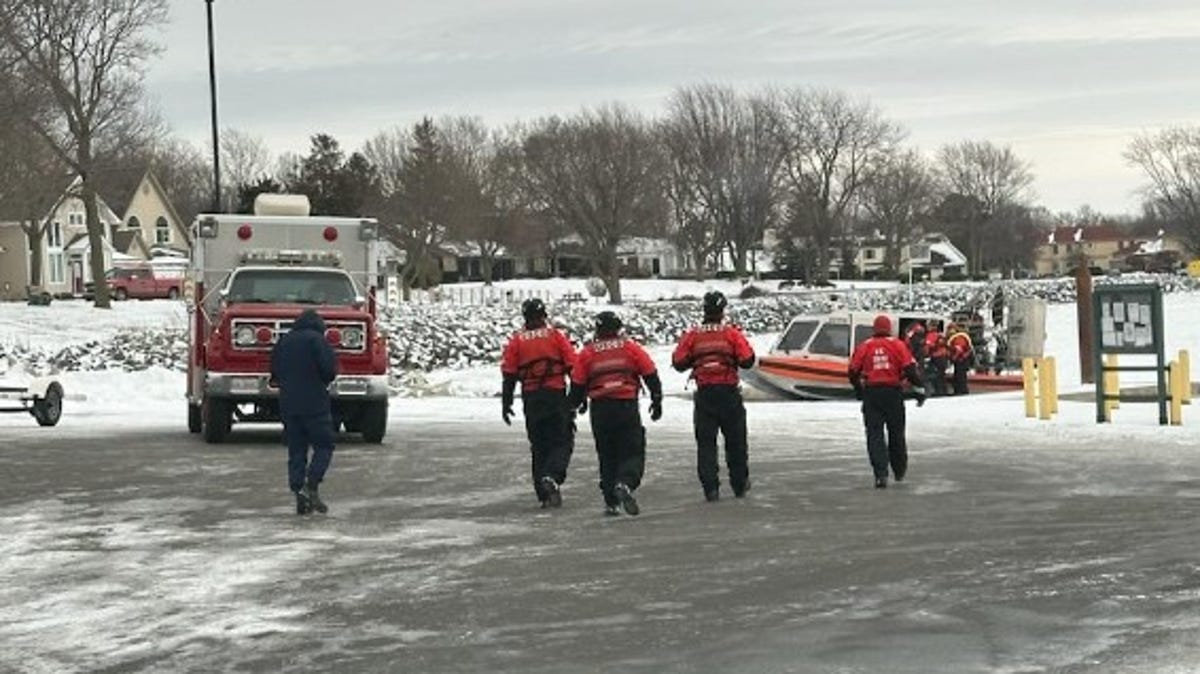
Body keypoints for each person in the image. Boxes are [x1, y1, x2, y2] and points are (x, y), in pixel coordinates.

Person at [567, 311, 662, 517]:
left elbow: (577, 385)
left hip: (600, 408)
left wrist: (573, 407)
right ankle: (625, 483)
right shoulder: (630, 348)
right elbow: (650, 373)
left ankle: (611, 501)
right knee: (632, 451)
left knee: (607, 454)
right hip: (626, 406)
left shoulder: (587, 353)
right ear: (618, 329)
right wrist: (656, 399)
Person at [671, 290, 756, 502]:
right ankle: (739, 484)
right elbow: (747, 360)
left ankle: (710, 488)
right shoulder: (731, 334)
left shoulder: (693, 335)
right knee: (736, 441)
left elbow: (678, 363)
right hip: (728, 393)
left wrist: (696, 360)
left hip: (705, 395)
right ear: (722, 311)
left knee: (706, 443)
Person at [500, 298, 578, 509]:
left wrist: (506, 403)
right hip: (555, 394)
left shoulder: (517, 341)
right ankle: (552, 476)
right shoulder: (556, 336)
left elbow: (509, 374)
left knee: (539, 445)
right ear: (544, 315)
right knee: (562, 440)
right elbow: (573, 366)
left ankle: (543, 494)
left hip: (531, 397)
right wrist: (577, 397)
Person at [270, 308, 338, 515]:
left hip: (289, 404)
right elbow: (329, 370)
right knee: (324, 445)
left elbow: (274, 371)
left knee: (296, 450)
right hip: (315, 403)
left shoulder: (284, 341)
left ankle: (299, 490)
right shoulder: (318, 341)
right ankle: (312, 484)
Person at [848, 314, 926, 489]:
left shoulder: (865, 346)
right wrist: (920, 389)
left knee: (874, 434)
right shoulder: (898, 345)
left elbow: (853, 371)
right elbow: (910, 369)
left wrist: (859, 389)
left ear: (874, 329)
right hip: (893, 393)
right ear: (889, 328)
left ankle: (880, 474)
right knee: (896, 433)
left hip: (872, 394)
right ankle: (899, 469)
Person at [946, 322, 974, 395]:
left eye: (949, 329)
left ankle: (961, 391)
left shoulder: (958, 337)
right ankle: (959, 390)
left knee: (960, 377)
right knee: (958, 376)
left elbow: (959, 349)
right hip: (961, 360)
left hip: (961, 360)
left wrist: (953, 358)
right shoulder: (958, 337)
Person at [924, 324, 949, 397]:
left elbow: (928, 346)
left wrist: (925, 355)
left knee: (936, 375)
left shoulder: (930, 335)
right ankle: (943, 391)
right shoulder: (940, 335)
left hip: (937, 357)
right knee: (942, 375)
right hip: (943, 357)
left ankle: (938, 392)